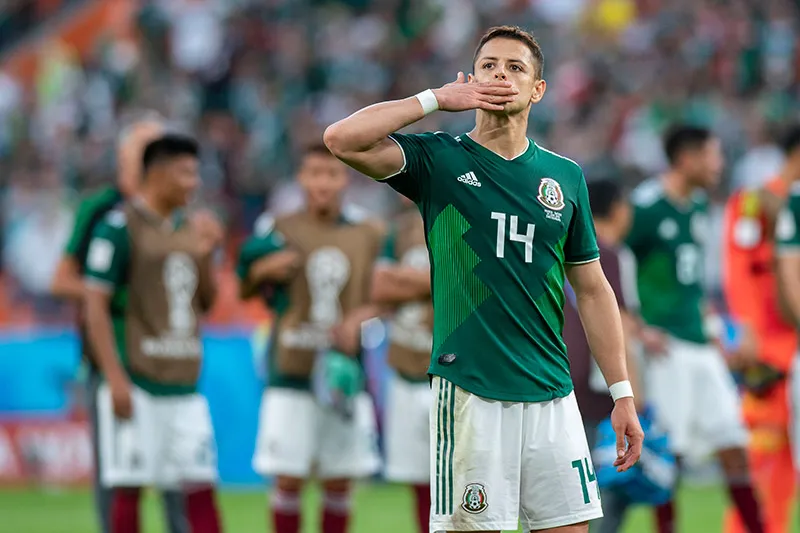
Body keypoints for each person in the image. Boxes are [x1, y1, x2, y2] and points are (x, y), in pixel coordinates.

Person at [324, 24, 643, 533]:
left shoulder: (564, 177)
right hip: (472, 389)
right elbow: (341, 138)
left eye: (516, 68)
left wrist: (622, 391)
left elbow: (592, 288)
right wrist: (434, 99)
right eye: (489, 65)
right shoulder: (440, 159)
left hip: (552, 392)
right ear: (470, 79)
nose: (500, 74)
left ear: (537, 91)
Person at [50, 114, 189, 533]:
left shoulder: (178, 211)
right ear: (123, 157)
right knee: (115, 485)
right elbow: (62, 279)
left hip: (166, 363)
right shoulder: (100, 209)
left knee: (177, 485)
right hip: (112, 363)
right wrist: (119, 292)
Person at [237, 144, 383, 533]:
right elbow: (246, 289)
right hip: (290, 370)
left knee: (339, 480)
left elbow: (386, 296)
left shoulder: (369, 231)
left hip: (344, 374)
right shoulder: (277, 227)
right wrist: (263, 269)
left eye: (331, 174)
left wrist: (359, 319)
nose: (323, 183)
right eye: (314, 174)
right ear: (301, 179)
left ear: (345, 178)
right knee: (287, 478)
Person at [83, 134, 224, 533]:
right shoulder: (118, 227)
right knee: (129, 487)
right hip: (136, 378)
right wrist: (114, 378)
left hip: (184, 384)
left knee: (201, 487)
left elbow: (207, 303)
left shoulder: (189, 229)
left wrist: (206, 255)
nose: (194, 183)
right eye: (186, 173)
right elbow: (94, 305)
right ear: (157, 175)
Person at [627, 125, 764, 533]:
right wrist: (635, 325)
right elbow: (605, 264)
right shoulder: (646, 207)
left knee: (735, 446)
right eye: (712, 155)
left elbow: (692, 283)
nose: (719, 165)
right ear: (687, 159)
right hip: (666, 348)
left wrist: (716, 328)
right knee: (673, 456)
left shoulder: (699, 207)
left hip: (701, 344)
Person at [564, 179, 666, 533]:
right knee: (609, 481)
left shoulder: (561, 245)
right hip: (599, 383)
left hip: (561, 376)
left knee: (571, 486)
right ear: (619, 209)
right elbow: (617, 322)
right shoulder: (609, 254)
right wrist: (631, 394)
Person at [723, 125, 800, 533]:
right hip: (769, 353)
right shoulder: (754, 202)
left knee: (787, 468)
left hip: (793, 349)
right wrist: (746, 329)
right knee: (764, 462)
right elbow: (739, 272)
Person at [371, 198, 432, 533]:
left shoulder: (466, 213)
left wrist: (403, 281)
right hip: (405, 371)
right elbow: (379, 287)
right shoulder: (400, 230)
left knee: (462, 480)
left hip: (452, 376)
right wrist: (438, 278)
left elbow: (474, 282)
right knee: (418, 480)